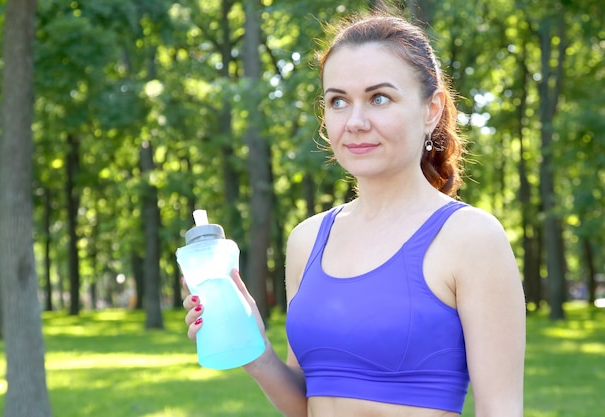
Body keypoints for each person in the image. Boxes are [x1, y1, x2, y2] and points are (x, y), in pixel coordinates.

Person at [183, 10, 525, 417]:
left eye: (379, 98)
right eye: (338, 101)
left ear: (431, 109)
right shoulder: (307, 239)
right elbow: (309, 402)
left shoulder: (471, 238)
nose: (355, 122)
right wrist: (255, 350)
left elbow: (500, 409)